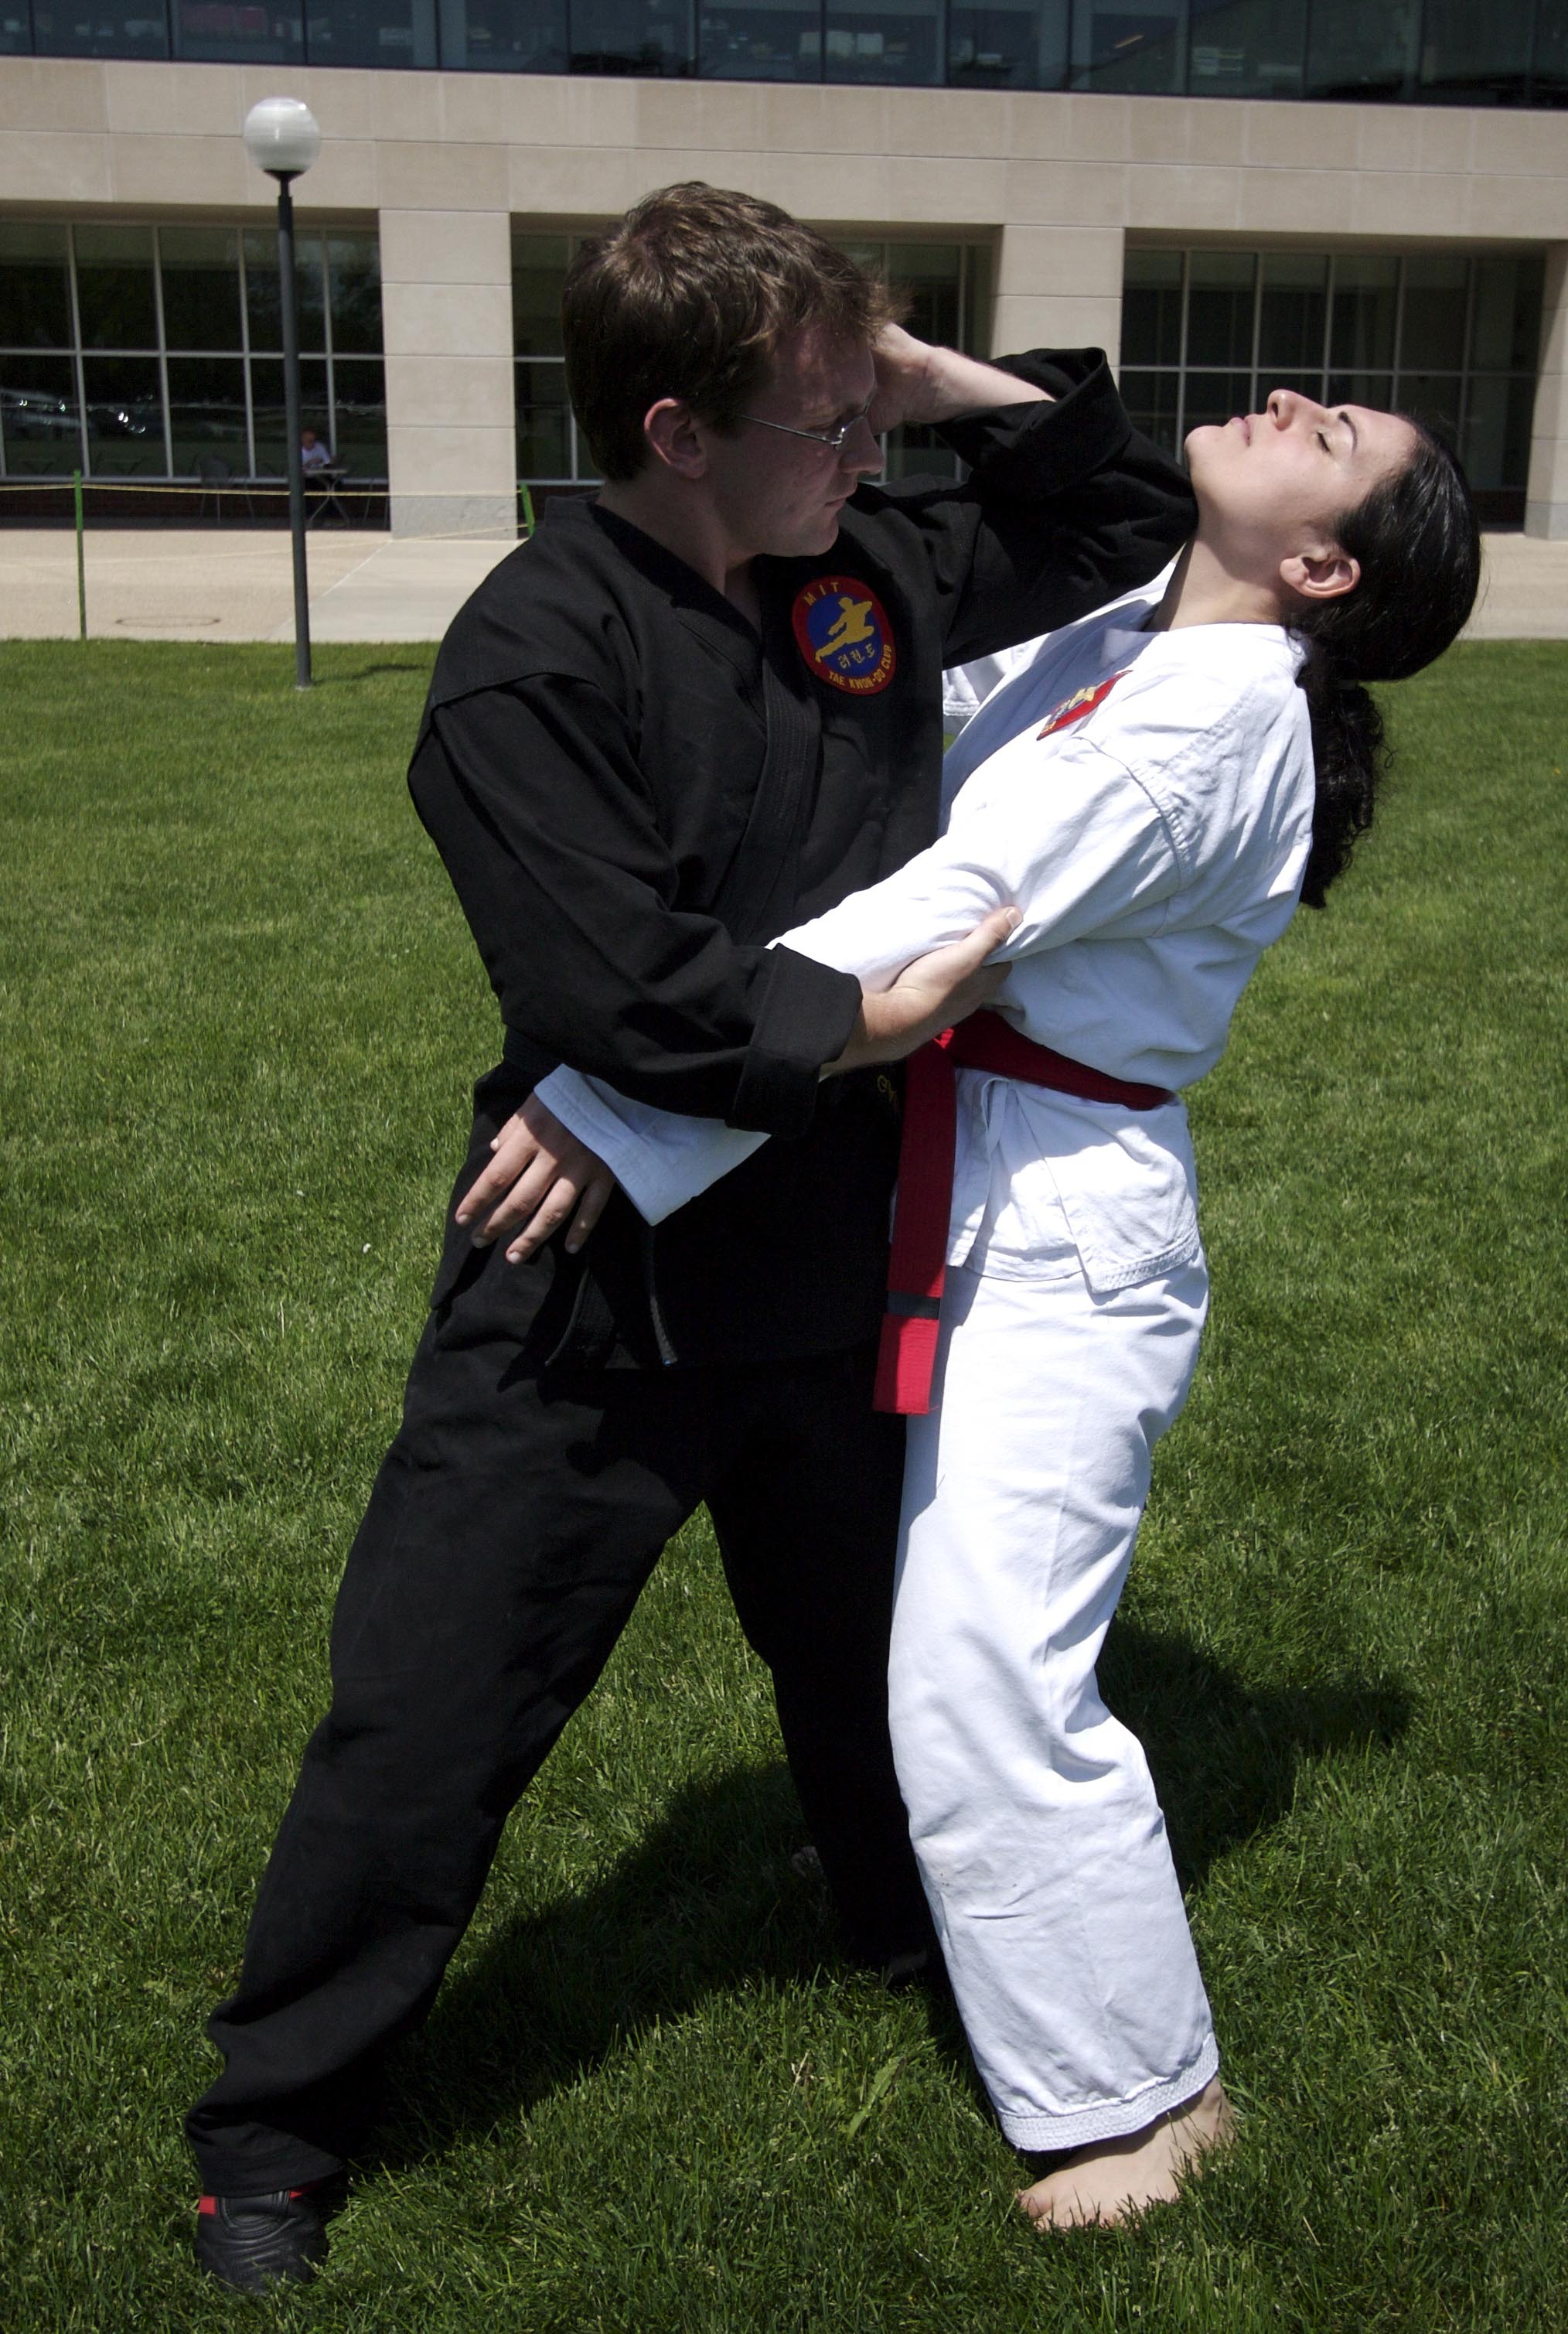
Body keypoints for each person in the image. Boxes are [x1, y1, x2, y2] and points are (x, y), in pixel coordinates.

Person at [186, 180, 1197, 2293]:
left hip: (836, 1278)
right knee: (428, 1715)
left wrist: (919, 377)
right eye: (825, 421)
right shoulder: (530, 654)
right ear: (670, 430)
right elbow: (622, 991)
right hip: (593, 1301)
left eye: (870, 422)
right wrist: (891, 1010)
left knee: (870, 1675)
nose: (869, 459)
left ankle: (900, 1928)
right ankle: (275, 2129)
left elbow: (1116, 531)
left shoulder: (866, 562)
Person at [515, 389, 1482, 2227]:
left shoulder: (1203, 725)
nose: (1286, 397)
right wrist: (888, 356)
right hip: (971, 1172)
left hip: (1061, 1231)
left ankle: (1143, 2098)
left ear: (1325, 562)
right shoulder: (1145, 639)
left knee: (983, 1678)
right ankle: (1051, 2007)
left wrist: (615, 1102)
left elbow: (941, 903)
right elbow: (956, 712)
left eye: (1331, 426)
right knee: (934, 1649)